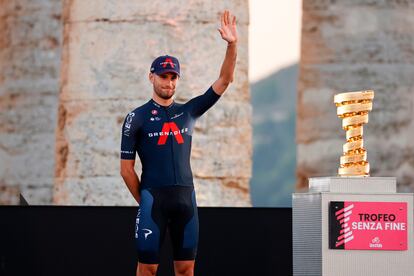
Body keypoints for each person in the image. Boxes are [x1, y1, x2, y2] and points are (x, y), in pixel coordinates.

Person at [120, 10, 238, 276]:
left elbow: (225, 80)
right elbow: (126, 169)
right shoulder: (135, 117)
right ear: (151, 77)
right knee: (147, 269)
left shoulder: (189, 111)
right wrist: (146, 200)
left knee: (186, 270)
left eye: (173, 77)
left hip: (186, 199)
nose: (168, 82)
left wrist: (232, 45)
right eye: (163, 76)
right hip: (153, 199)